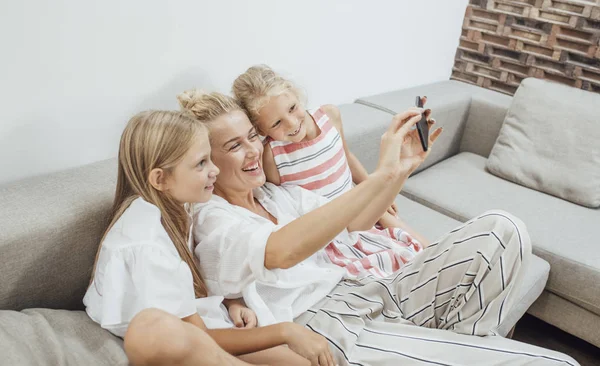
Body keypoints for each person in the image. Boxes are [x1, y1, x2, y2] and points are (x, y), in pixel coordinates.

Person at [181, 91, 578, 366]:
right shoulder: (212, 217)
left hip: (363, 291)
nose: (253, 151)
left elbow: (355, 221)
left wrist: (400, 170)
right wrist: (381, 173)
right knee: (556, 362)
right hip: (323, 323)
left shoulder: (275, 195)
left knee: (503, 228)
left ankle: (461, 344)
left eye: (252, 137)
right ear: (207, 160)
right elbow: (282, 251)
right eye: (233, 146)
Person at [83, 110, 331, 365]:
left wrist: (232, 301)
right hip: (181, 337)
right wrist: (284, 331)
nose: (214, 170)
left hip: (198, 323)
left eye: (210, 159)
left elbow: (197, 275)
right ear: (160, 178)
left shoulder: (177, 205)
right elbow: (195, 336)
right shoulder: (147, 245)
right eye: (201, 163)